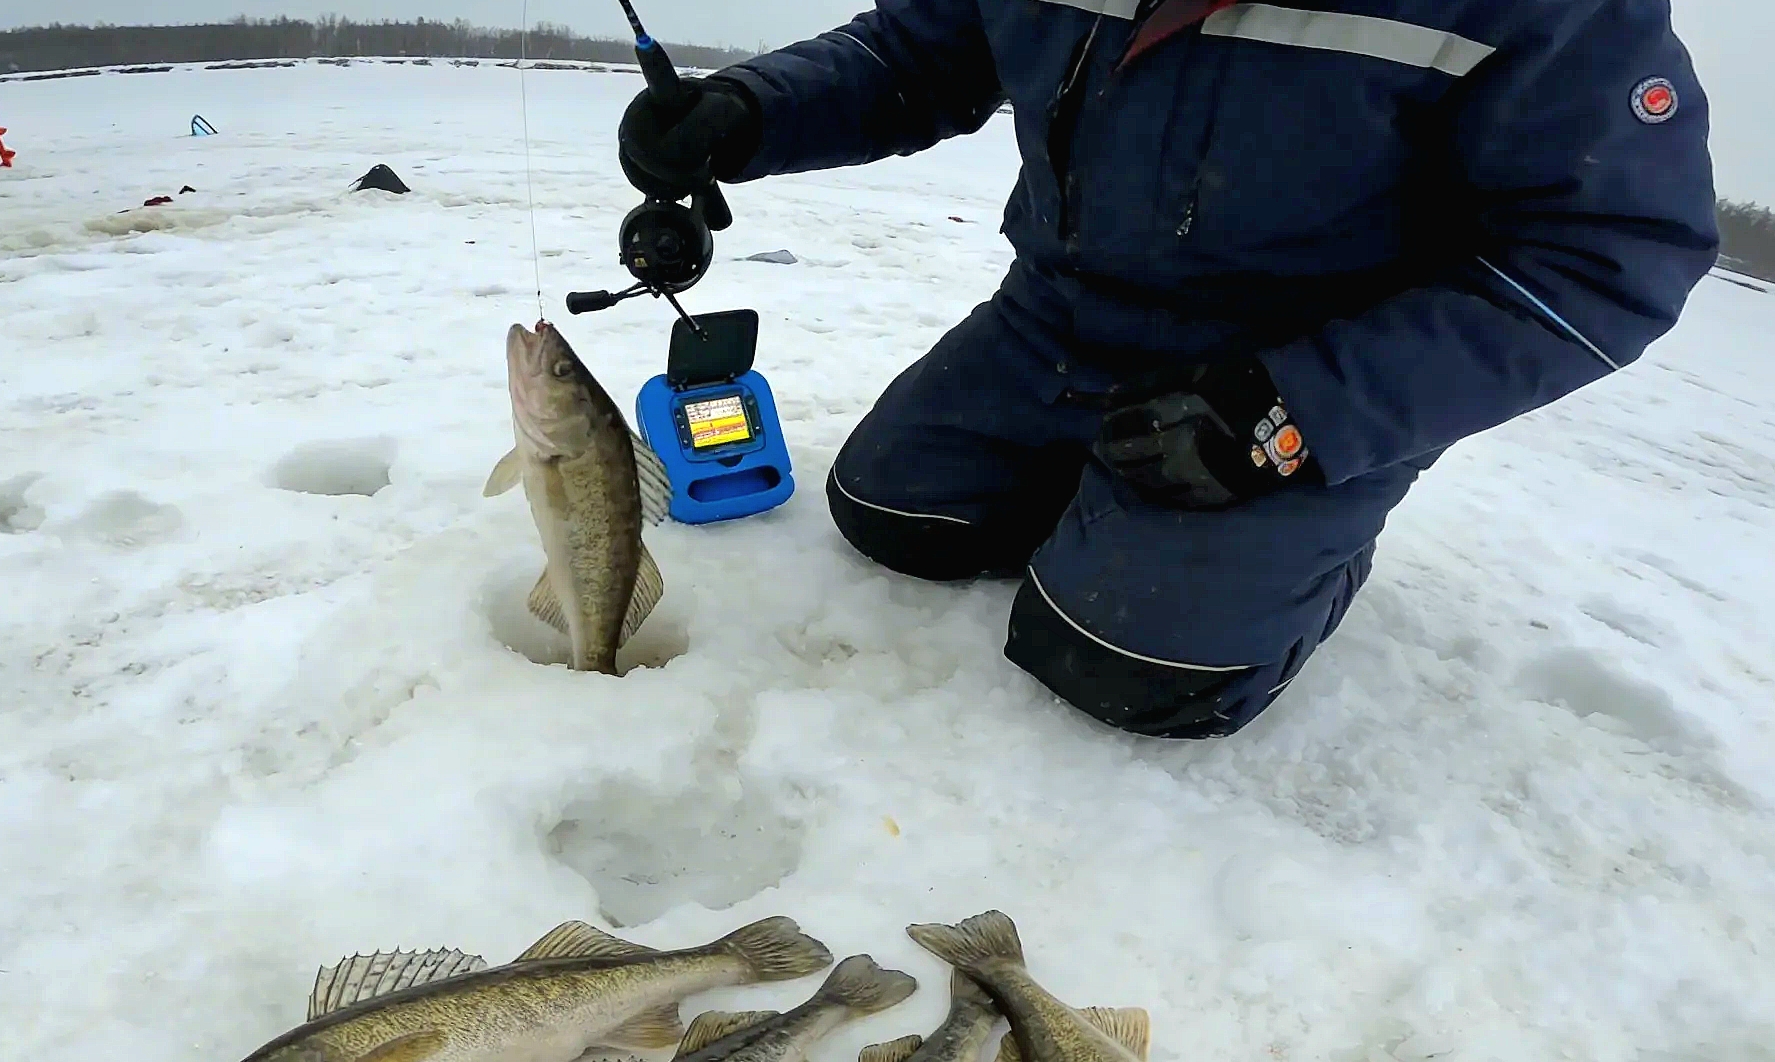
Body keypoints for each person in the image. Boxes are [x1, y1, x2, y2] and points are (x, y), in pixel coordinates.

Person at [618, 0, 1719, 740]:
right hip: (1055, 320)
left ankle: (1307, 532)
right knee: (890, 515)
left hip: (1289, 370)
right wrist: (749, 114)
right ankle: (1114, 500)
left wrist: (1300, 412)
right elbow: (920, 53)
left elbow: (1604, 255)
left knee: (1128, 670)